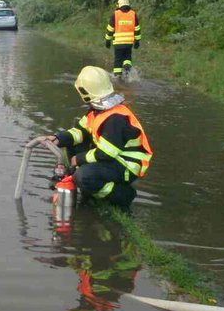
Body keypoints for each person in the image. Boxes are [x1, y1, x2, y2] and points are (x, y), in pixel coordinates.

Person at [44, 66, 153, 208]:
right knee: (74, 144)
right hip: (113, 158)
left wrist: (78, 159)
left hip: (127, 164)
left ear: (85, 92)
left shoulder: (116, 118)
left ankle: (122, 195)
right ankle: (85, 184)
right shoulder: (96, 111)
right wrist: (58, 138)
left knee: (84, 177)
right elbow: (80, 132)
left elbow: (106, 153)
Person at [104, 0, 141, 77]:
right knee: (127, 57)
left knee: (118, 60)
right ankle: (127, 71)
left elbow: (110, 29)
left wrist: (107, 41)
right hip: (129, 43)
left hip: (118, 43)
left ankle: (117, 77)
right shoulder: (133, 14)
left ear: (119, 5)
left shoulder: (115, 14)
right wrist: (137, 41)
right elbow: (137, 29)